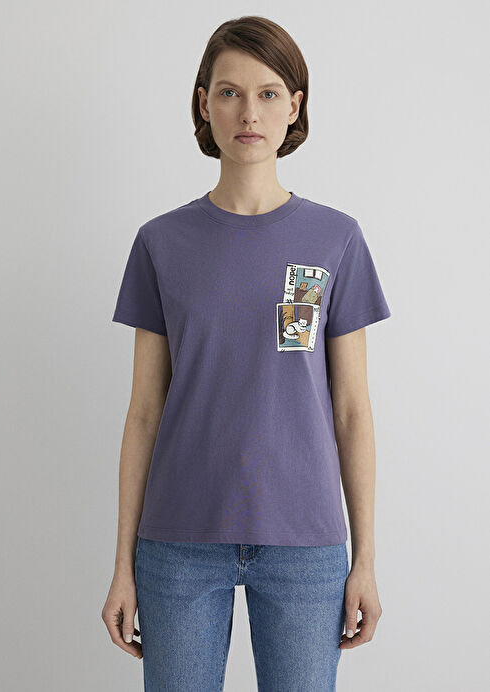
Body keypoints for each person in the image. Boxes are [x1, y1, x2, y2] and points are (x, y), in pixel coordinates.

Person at [101, 15, 391, 692]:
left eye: (268, 93)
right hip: (177, 542)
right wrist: (121, 564)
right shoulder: (160, 242)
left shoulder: (336, 239)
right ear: (204, 104)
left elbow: (352, 410)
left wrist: (366, 560)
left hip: (306, 543)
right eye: (229, 92)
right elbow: (143, 412)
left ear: (295, 106)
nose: (249, 113)